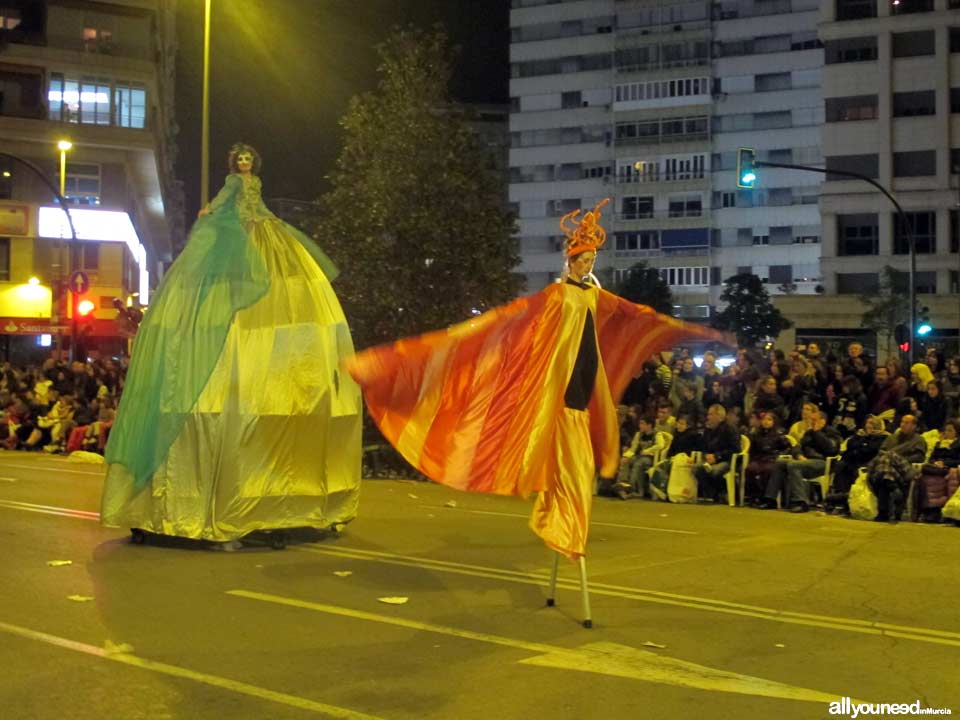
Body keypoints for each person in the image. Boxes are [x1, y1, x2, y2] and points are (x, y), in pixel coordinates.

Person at [346, 199, 725, 562]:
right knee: (562, 455)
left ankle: (561, 522)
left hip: (583, 382)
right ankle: (559, 523)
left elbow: (636, 314)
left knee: (578, 459)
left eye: (593, 260)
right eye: (584, 260)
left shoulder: (595, 296)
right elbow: (517, 316)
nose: (588, 265)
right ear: (571, 262)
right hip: (556, 386)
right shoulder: (557, 295)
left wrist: (682, 328)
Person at [101, 143, 362, 547]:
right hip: (237, 235)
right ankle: (220, 505)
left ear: (254, 164)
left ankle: (280, 503)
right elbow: (223, 201)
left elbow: (256, 205)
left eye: (247, 160)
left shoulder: (255, 187)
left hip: (267, 232)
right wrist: (209, 212)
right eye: (238, 160)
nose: (243, 165)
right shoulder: (230, 186)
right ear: (233, 164)